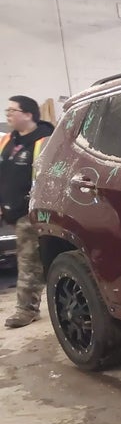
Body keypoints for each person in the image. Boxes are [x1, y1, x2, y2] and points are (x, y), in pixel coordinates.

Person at [0, 96, 54, 328]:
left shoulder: (45, 141)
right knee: (30, 259)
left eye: (12, 110)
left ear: (29, 114)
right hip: (11, 211)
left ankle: (26, 309)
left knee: (28, 261)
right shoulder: (7, 142)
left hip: (33, 210)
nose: (8, 114)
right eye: (7, 110)